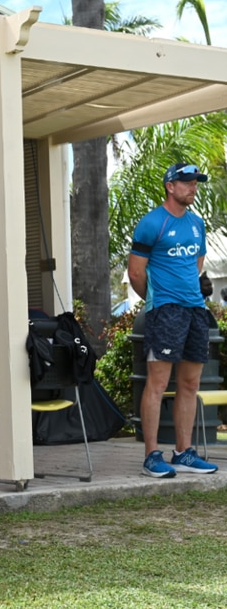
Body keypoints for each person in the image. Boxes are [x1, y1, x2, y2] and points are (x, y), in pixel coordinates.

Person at [128, 162, 218, 478]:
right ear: (170, 186)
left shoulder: (196, 224)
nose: (193, 187)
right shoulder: (152, 223)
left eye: (196, 182)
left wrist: (189, 291)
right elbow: (136, 272)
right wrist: (157, 298)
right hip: (165, 311)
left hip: (195, 310)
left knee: (190, 383)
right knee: (158, 383)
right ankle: (152, 455)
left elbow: (196, 264)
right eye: (187, 182)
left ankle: (183, 453)